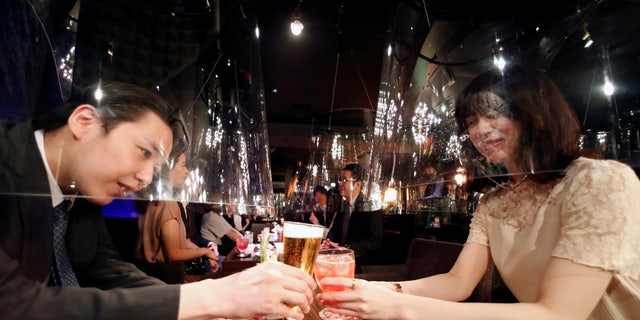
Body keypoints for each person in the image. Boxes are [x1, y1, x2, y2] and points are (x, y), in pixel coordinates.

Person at [317, 65, 640, 319]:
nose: (480, 131)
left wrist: (397, 308)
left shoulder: (599, 181)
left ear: (534, 113)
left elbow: (559, 313)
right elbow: (457, 283)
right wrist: (378, 288)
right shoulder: (494, 201)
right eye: (472, 121)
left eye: (493, 113)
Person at [0, 81, 316, 320]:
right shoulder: (7, 162)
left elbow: (106, 269)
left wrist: (199, 304)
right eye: (144, 152)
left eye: (156, 166)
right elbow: (15, 305)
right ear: (84, 121)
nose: (147, 179)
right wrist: (212, 296)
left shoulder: (79, 196)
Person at [135, 151, 220, 284]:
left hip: (152, 276)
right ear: (168, 168)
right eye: (183, 165)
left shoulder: (155, 200)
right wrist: (204, 251)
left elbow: (179, 241)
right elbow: (173, 253)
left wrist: (204, 254)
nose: (187, 172)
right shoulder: (168, 204)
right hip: (165, 278)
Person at [322, 163, 383, 270]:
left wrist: (347, 249)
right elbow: (334, 231)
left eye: (345, 180)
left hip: (361, 264)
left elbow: (375, 241)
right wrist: (328, 243)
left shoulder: (370, 206)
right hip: (339, 260)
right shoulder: (343, 205)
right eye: (340, 180)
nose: (340, 183)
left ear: (357, 184)